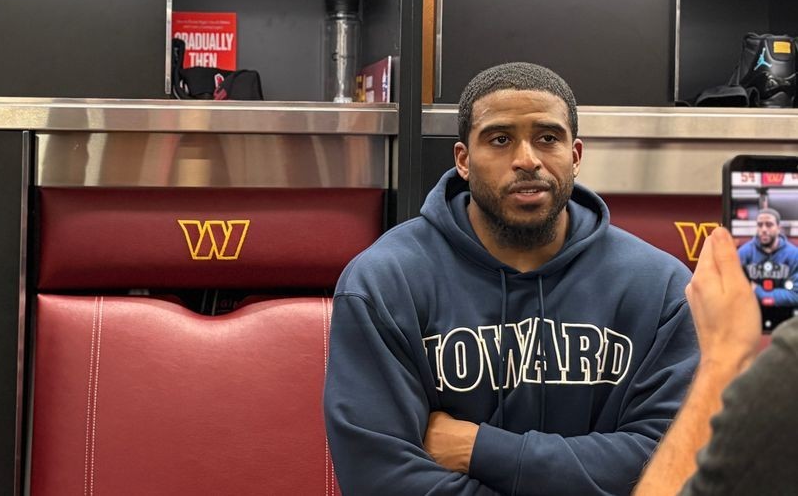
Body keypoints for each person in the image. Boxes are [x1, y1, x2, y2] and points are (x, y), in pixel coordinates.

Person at [323, 62, 699, 495]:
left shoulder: (659, 287)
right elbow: (380, 477)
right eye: (500, 140)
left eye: (548, 138)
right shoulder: (385, 282)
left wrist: (481, 448)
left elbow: (672, 462)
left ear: (574, 156)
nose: (527, 160)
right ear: (464, 160)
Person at [634, 226, 797, 495]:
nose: (766, 230)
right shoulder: (748, 252)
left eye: (771, 225)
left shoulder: (789, 366)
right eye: (763, 224)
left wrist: (722, 355)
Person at [736, 207, 798, 307]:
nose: (764, 229)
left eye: (769, 225)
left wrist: (758, 291)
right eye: (760, 225)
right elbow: (735, 291)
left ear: (778, 228)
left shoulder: (794, 255)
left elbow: (796, 295)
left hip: (786, 316)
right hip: (753, 314)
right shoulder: (743, 253)